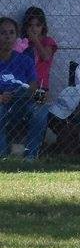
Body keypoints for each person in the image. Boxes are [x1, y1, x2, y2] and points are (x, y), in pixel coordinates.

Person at [0, 17, 51, 159]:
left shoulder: (25, 60)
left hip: (22, 101)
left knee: (41, 110)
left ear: (16, 36)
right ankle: (2, 155)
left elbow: (33, 87)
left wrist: (41, 97)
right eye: (3, 33)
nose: (8, 37)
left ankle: (31, 156)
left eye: (11, 33)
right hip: (3, 102)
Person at [16, 7, 57, 90]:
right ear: (26, 26)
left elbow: (46, 57)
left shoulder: (47, 41)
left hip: (41, 84)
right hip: (24, 83)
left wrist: (35, 40)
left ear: (43, 26)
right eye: (30, 25)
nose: (34, 29)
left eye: (38, 25)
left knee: (38, 99)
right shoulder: (23, 43)